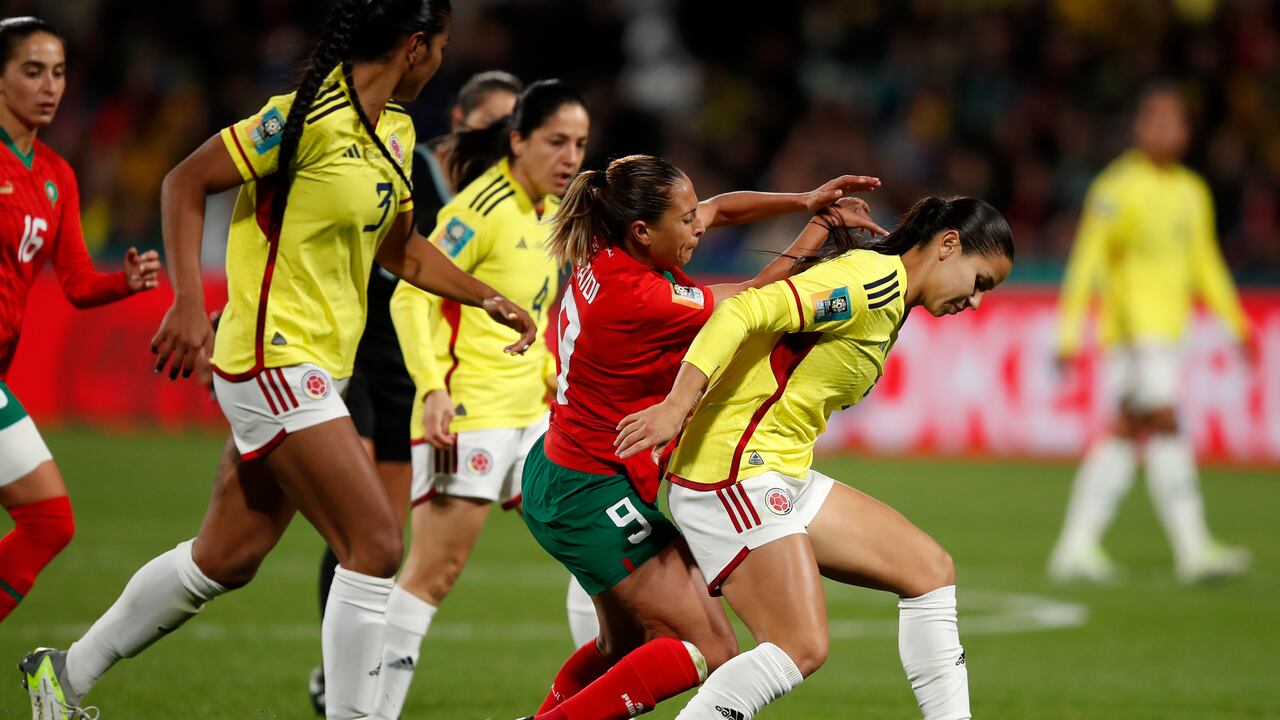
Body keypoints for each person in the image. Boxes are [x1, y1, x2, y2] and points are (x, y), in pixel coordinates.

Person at [20, 3, 537, 720]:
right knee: (377, 544)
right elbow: (183, 182)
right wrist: (189, 305)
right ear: (415, 46)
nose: (443, 62)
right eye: (442, 47)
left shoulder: (395, 131)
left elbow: (402, 251)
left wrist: (486, 297)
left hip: (324, 367)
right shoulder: (298, 119)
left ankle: (62, 676)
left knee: (224, 558)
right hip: (271, 360)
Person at [615, 196, 1014, 719]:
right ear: (948, 245)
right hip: (734, 472)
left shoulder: (888, 295)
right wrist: (675, 407)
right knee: (797, 646)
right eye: (980, 281)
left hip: (777, 470)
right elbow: (743, 310)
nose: (976, 302)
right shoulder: (872, 285)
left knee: (929, 571)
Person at [520, 154, 887, 720]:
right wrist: (818, 230)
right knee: (713, 649)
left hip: (562, 469)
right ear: (644, 231)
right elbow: (752, 299)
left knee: (624, 644)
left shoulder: (607, 238)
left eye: (695, 213)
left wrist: (803, 199)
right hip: (591, 493)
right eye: (686, 220)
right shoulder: (640, 298)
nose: (700, 226)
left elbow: (718, 208)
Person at [372, 79, 594, 719]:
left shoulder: (552, 212)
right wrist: (433, 387)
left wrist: (552, 371)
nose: (570, 157)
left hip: (531, 415)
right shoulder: (481, 206)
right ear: (518, 140)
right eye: (556, 142)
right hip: (468, 413)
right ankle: (368, 710)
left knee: (594, 552)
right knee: (431, 576)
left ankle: (599, 708)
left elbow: (535, 309)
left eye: (579, 144)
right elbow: (412, 291)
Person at [306, 68, 523, 717]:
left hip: (421, 373)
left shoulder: (503, 197)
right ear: (460, 119)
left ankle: (354, 674)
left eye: (514, 127)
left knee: (385, 530)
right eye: (493, 122)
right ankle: (337, 673)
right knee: (363, 523)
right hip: (362, 361)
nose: (504, 137)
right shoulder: (414, 171)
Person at [1047, 84, 1253, 585]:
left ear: (1186, 131)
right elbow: (1087, 261)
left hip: (1170, 334)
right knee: (1162, 424)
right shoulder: (1116, 189)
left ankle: (1076, 547)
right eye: (1155, 120)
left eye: (1175, 121)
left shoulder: (1191, 192)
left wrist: (1237, 322)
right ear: (1138, 127)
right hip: (1132, 334)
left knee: (1130, 432)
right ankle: (1192, 548)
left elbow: (1206, 263)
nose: (1165, 130)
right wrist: (1069, 333)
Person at [0, 16, 160, 625]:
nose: (50, 86)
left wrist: (125, 281)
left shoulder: (56, 176)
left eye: (59, 73)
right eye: (32, 71)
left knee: (48, 522)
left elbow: (74, 284)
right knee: (46, 518)